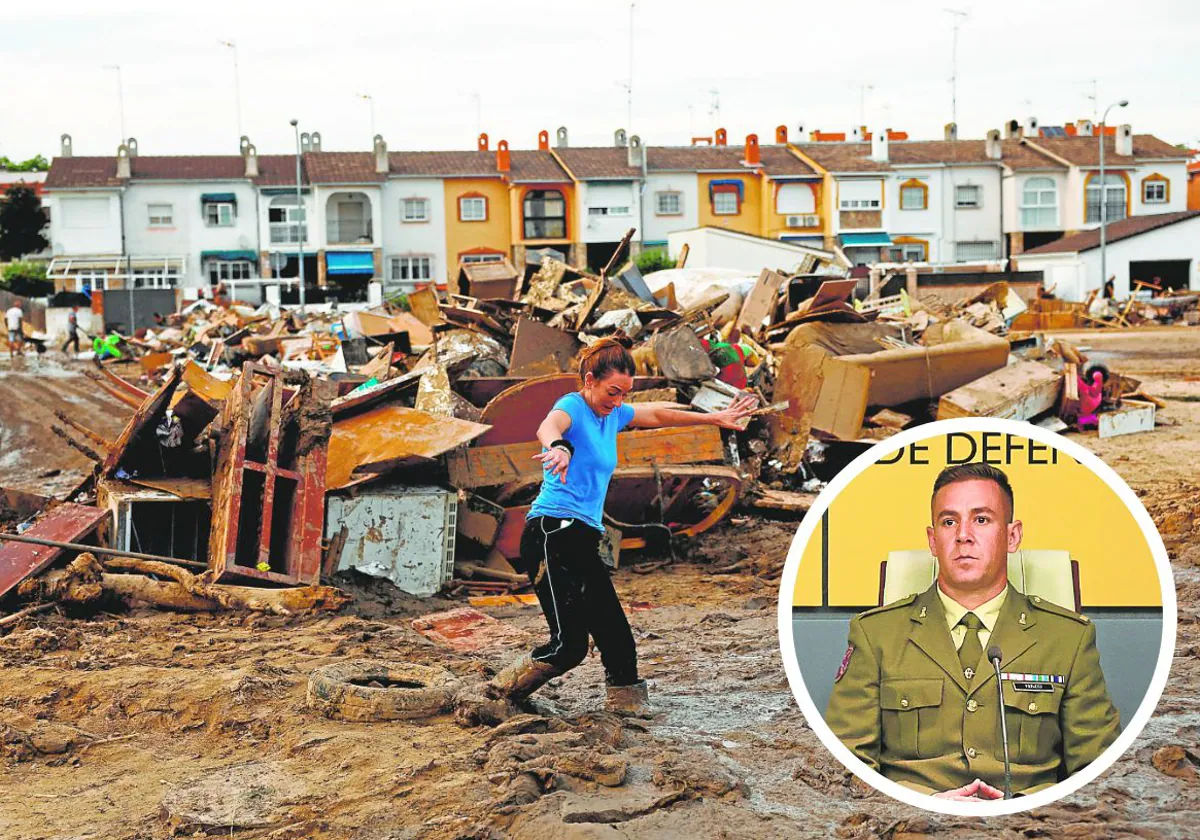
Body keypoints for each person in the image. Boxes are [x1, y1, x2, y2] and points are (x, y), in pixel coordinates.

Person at [487, 334, 756, 716]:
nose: (618, 402)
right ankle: (499, 693)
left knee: (614, 631)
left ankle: (627, 706)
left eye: (624, 394)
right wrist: (558, 447)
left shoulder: (612, 412)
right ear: (590, 381)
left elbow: (659, 413)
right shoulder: (573, 407)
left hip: (582, 537)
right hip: (550, 533)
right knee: (569, 647)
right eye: (612, 391)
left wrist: (714, 418)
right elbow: (549, 426)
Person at [825, 462, 1120, 799]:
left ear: (1012, 536)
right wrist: (920, 805)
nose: (963, 535)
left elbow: (1101, 774)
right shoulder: (876, 635)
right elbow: (843, 770)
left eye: (982, 520)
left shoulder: (1067, 639)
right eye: (949, 522)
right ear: (933, 540)